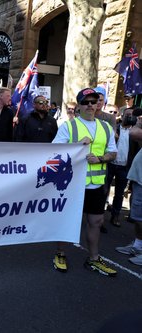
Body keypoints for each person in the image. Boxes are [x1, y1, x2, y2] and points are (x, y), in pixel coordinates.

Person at [51, 88, 117, 276]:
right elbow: (54, 151)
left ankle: (94, 259)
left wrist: (100, 158)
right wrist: (79, 145)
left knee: (95, 221)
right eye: (85, 102)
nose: (90, 105)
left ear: (98, 104)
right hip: (71, 183)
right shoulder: (69, 126)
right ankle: (60, 253)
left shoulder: (105, 127)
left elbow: (113, 153)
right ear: (79, 106)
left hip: (96, 185)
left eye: (93, 101)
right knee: (67, 221)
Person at [115, 112, 142, 265]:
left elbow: (134, 132)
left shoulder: (137, 127)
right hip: (139, 178)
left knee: (140, 217)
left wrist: (138, 122)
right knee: (138, 216)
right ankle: (138, 245)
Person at [106, 108, 140, 227]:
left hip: (124, 168)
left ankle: (115, 216)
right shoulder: (115, 129)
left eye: (132, 115)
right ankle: (100, 218)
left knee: (119, 194)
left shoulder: (135, 133)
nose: (130, 117)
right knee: (104, 190)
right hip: (110, 164)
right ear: (122, 115)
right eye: (127, 115)